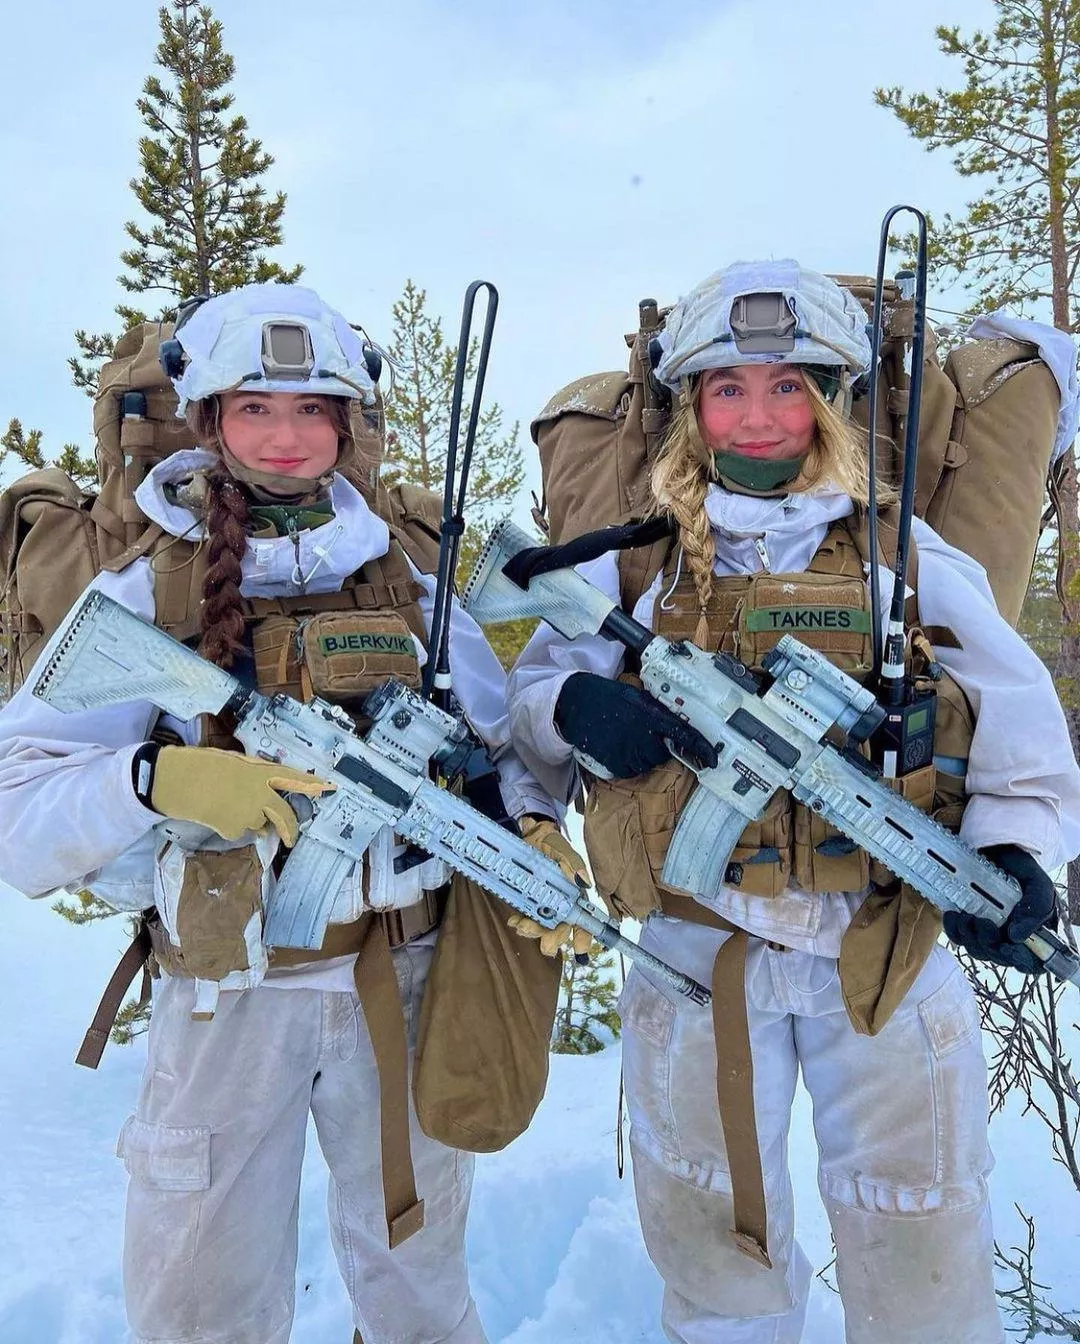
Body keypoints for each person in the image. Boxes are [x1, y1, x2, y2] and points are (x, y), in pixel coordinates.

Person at [504, 260, 1080, 1343]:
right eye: (728, 389)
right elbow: (528, 695)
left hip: (885, 937)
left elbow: (1014, 707)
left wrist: (1012, 851)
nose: (759, 415)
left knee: (919, 1230)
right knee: (706, 1227)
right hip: (694, 946)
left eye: (787, 388)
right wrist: (577, 707)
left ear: (831, 402)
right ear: (692, 409)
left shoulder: (897, 552)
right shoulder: (639, 568)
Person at [0, 282, 582, 1344]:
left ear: (347, 424)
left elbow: (502, 750)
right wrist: (154, 780)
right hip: (228, 998)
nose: (284, 436)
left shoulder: (408, 576)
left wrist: (531, 830)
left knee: (418, 1291)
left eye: (312, 409)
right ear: (212, 419)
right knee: (199, 1303)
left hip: (404, 985)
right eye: (255, 408)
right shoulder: (144, 593)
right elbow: (16, 796)